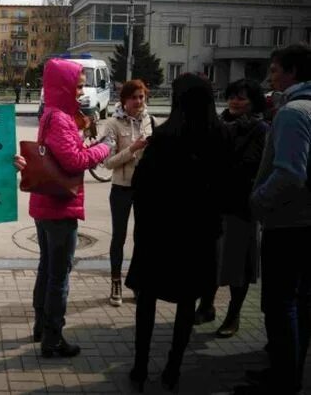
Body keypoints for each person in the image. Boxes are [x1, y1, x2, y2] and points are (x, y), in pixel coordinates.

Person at [125, 74, 231, 392]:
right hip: (197, 238)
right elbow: (225, 189)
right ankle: (173, 368)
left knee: (147, 302)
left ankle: (140, 367)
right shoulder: (221, 136)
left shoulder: (165, 135)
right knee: (187, 304)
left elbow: (141, 186)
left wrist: (144, 226)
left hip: (158, 236)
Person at [239, 44, 311, 395]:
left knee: (280, 305)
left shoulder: (293, 113)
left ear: (293, 72)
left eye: (276, 69)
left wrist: (257, 201)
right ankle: (290, 374)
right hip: (304, 224)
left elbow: (289, 174)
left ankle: (282, 380)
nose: (271, 76)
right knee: (300, 301)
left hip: (289, 225)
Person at [27, 58, 111, 358]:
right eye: (76, 86)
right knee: (58, 276)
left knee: (46, 267)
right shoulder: (60, 118)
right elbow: (74, 162)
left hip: (43, 205)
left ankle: (40, 326)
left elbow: (66, 153)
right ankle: (53, 337)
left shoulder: (50, 114)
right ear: (62, 87)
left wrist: (82, 142)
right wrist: (103, 149)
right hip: (60, 209)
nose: (79, 92)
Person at [194, 79, 267, 338]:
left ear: (253, 102)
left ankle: (233, 315)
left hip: (241, 205)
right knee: (208, 261)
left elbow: (251, 165)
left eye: (242, 98)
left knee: (238, 266)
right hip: (213, 204)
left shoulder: (259, 129)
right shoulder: (217, 123)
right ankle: (206, 306)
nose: (236, 101)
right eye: (233, 96)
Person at [102, 79, 155, 307]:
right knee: (119, 237)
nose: (138, 101)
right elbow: (108, 163)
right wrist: (132, 149)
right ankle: (116, 282)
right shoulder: (113, 124)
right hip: (121, 188)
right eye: (134, 97)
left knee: (143, 237)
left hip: (144, 188)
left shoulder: (150, 121)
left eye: (142, 96)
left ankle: (138, 282)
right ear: (124, 100)